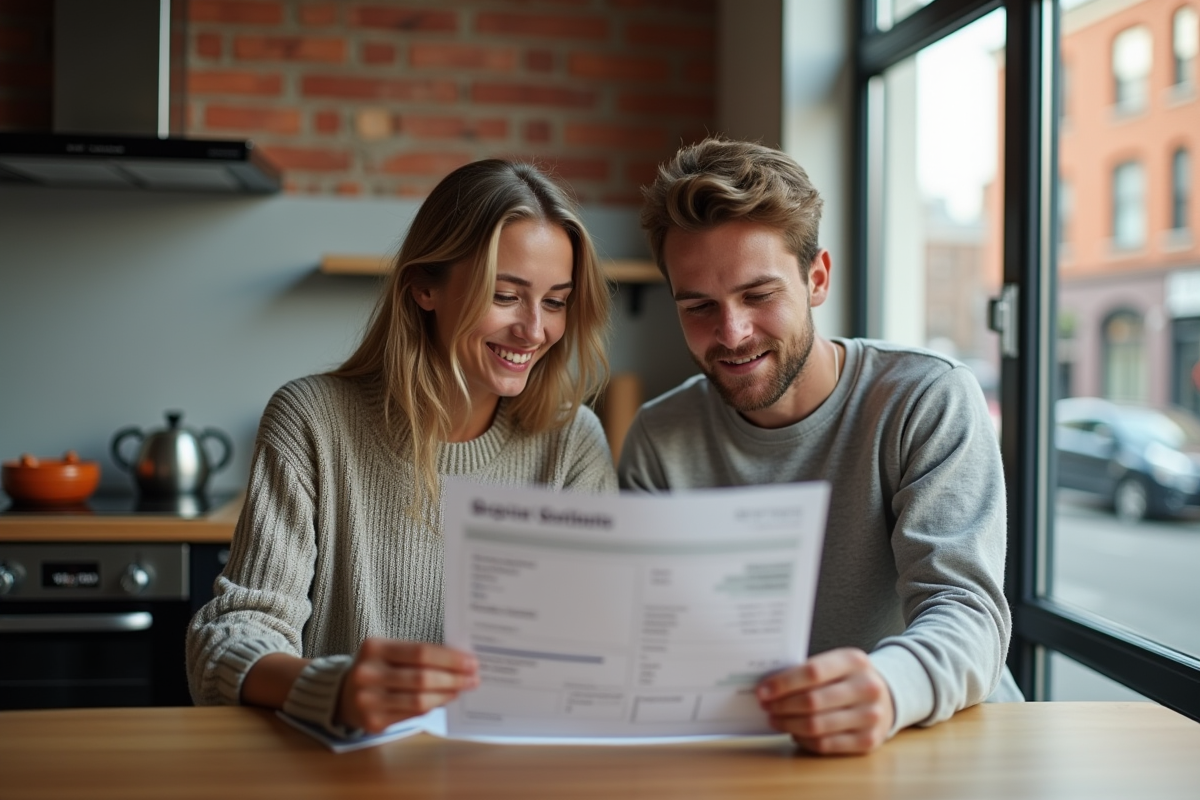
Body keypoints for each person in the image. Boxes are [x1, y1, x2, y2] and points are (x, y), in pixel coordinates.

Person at [619, 137, 1022, 755]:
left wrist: (888, 687)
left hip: (935, 740)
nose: (732, 333)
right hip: (758, 751)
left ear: (817, 279)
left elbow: (965, 608)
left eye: (759, 296)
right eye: (699, 306)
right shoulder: (659, 437)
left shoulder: (925, 399)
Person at [187, 159, 616, 736]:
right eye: (505, 294)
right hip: (340, 768)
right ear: (424, 287)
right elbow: (228, 637)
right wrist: (328, 688)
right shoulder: (312, 420)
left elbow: (600, 645)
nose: (534, 330)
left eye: (556, 301)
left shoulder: (572, 444)